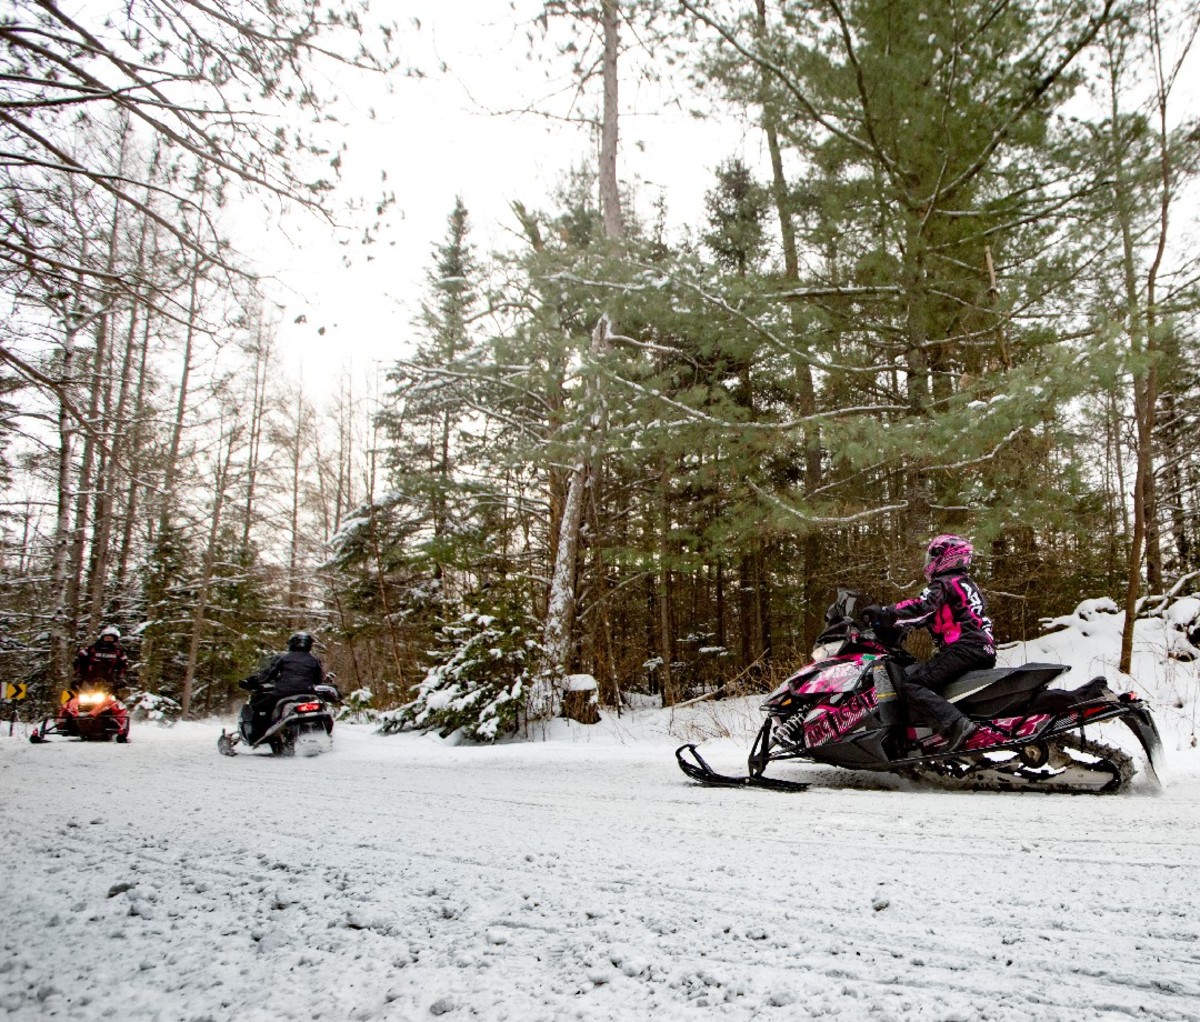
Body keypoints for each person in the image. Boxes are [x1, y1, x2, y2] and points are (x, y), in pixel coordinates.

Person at [862, 534, 998, 752]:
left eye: (933, 556)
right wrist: (899, 628)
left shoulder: (945, 583)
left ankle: (956, 726)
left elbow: (922, 607)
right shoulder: (965, 584)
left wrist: (886, 613)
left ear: (948, 557)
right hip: (981, 648)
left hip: (964, 648)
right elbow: (932, 616)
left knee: (912, 685)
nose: (929, 562)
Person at [240, 632, 326, 743]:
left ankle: (256, 736)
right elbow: (318, 679)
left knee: (258, 707)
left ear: (293, 643)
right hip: (307, 693)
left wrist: (254, 681)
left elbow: (268, 675)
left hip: (283, 693)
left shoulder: (284, 658)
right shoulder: (314, 660)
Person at [73, 626, 130, 694]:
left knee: (116, 698)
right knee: (76, 697)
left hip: (108, 681)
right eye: (107, 638)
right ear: (102, 638)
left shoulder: (118, 653)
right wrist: (79, 675)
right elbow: (80, 660)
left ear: (115, 640)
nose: (108, 640)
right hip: (88, 679)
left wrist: (121, 678)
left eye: (111, 638)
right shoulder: (91, 649)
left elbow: (123, 665)